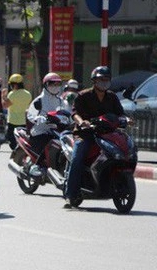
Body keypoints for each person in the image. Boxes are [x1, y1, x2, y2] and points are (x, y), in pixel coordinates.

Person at [63, 66, 125, 208]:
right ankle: (70, 194)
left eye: (106, 79)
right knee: (78, 158)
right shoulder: (83, 95)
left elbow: (120, 113)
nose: (104, 82)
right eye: (101, 79)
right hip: (85, 134)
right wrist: (81, 122)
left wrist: (127, 119)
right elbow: (75, 113)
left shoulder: (112, 97)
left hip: (107, 134)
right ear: (94, 81)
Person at [25, 72, 70, 177]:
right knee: (47, 144)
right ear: (45, 85)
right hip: (40, 131)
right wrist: (37, 118)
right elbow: (30, 114)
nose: (55, 87)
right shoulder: (39, 100)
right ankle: (36, 166)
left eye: (58, 84)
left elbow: (67, 113)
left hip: (56, 130)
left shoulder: (61, 101)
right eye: (52, 84)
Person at [2, 73, 32, 150]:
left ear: (15, 85)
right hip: (24, 121)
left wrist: (3, 97)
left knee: (12, 140)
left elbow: (5, 105)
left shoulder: (12, 94)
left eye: (11, 85)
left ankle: (15, 151)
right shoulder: (28, 94)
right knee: (23, 139)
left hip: (13, 121)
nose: (11, 87)